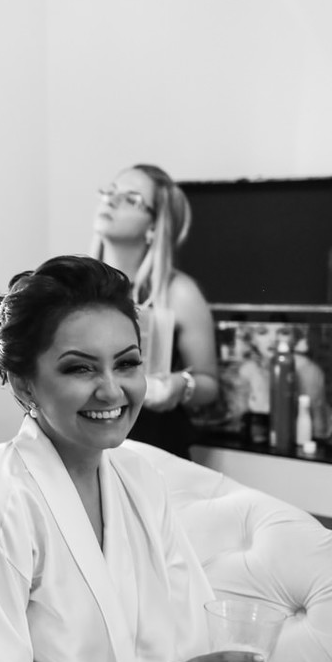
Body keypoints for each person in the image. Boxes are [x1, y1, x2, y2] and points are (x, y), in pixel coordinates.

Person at [0, 256, 276, 662]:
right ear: (23, 383)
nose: (111, 390)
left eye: (127, 363)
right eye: (80, 368)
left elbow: (188, 649)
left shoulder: (139, 480)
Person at [91, 164, 218, 458]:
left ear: (153, 227)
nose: (111, 200)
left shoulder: (179, 293)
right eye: (111, 191)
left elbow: (209, 385)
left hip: (154, 452)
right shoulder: (77, 288)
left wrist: (180, 386)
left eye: (131, 199)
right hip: (91, 447)